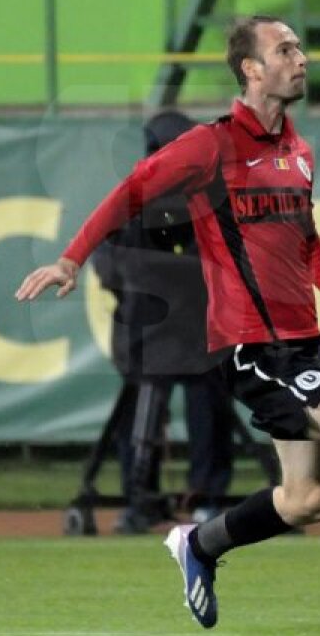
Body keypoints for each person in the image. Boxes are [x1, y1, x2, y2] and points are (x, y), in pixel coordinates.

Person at [16, 15, 320, 636]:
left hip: (301, 343)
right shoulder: (210, 146)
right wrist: (71, 259)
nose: (302, 58)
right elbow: (133, 189)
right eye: (286, 48)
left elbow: (306, 240)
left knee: (306, 500)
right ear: (251, 68)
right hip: (252, 349)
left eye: (300, 46)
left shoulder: (297, 151)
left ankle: (200, 542)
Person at [89, 110, 238, 533]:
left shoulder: (208, 202)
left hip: (195, 332)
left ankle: (204, 498)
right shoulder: (132, 201)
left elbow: (222, 266)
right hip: (149, 333)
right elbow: (107, 264)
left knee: (206, 409)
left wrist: (148, 274)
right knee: (147, 411)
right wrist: (170, 275)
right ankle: (144, 500)